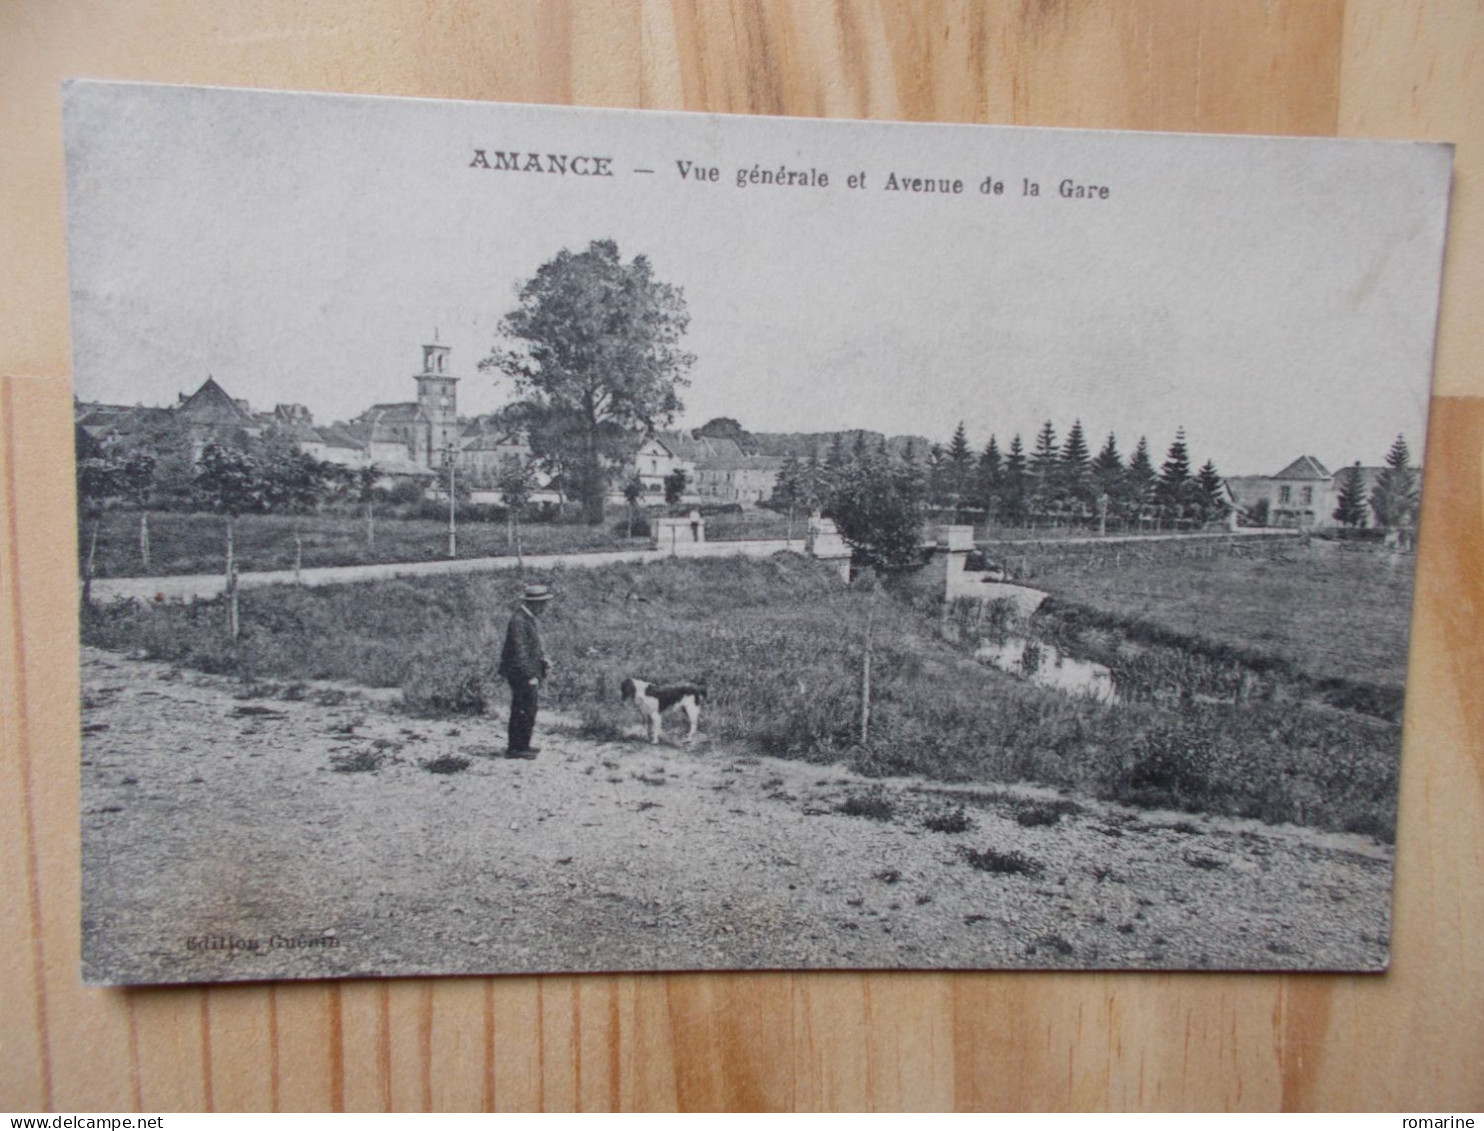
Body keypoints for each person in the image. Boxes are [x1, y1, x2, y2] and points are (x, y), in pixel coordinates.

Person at [496, 583, 553, 758]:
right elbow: (519, 651)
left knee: (528, 709)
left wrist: (543, 659)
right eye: (542, 603)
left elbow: (531, 647)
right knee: (522, 709)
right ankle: (516, 748)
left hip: (526, 672)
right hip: (520, 674)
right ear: (533, 603)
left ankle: (522, 744)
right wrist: (529, 675)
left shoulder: (526, 618)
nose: (545, 607)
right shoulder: (519, 620)